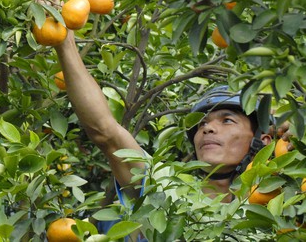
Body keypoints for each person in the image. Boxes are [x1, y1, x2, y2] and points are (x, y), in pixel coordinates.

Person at [52, 30, 272, 234]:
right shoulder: (167, 189)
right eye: (202, 123)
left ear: (262, 140)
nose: (208, 128)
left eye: (227, 120)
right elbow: (105, 132)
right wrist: (65, 43)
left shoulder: (278, 210)